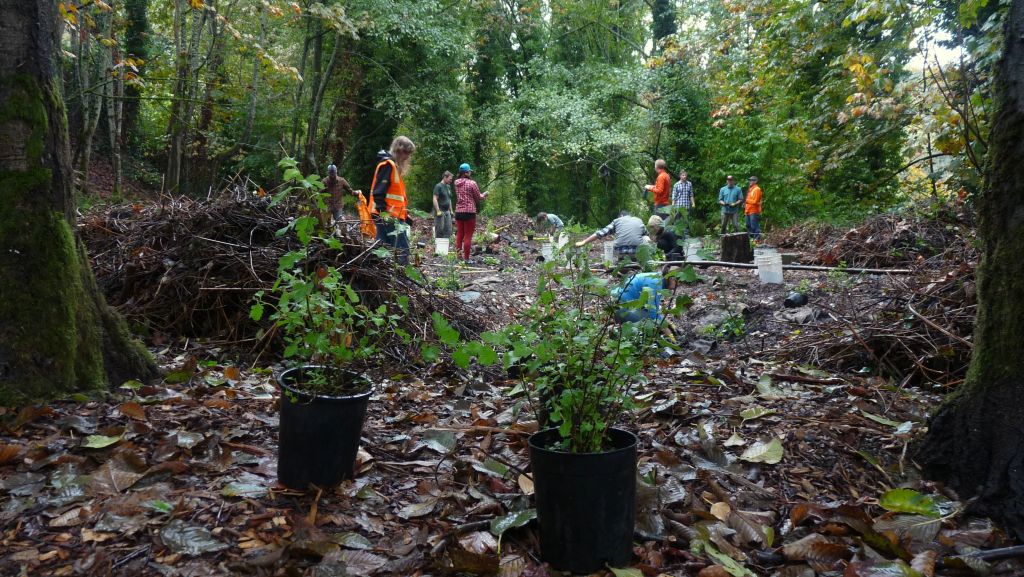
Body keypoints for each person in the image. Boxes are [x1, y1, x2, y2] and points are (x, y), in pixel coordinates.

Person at [370, 136, 416, 265]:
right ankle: (403, 274)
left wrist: (405, 216)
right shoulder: (388, 165)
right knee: (402, 250)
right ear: (399, 150)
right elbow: (379, 192)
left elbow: (395, 196)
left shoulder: (393, 167)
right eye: (406, 153)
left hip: (387, 214)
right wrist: (384, 214)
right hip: (388, 215)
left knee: (382, 248)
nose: (407, 157)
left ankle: (379, 273)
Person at [575, 210, 646, 262]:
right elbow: (646, 235)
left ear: (621, 216)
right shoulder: (639, 220)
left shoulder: (617, 220)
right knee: (645, 238)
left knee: (612, 243)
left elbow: (600, 233)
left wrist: (584, 242)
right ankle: (642, 261)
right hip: (637, 252)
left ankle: (619, 260)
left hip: (621, 252)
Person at [454, 163, 488, 261]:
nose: (470, 173)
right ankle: (467, 259)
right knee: (468, 235)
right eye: (469, 171)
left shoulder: (456, 183)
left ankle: (458, 256)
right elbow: (479, 197)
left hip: (459, 211)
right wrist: (485, 194)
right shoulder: (472, 183)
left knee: (460, 234)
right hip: (469, 212)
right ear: (466, 173)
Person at [433, 171, 454, 239]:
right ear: (445, 177)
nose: (451, 181)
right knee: (439, 230)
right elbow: (435, 198)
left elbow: (449, 199)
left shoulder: (448, 187)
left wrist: (451, 210)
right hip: (440, 211)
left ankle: (445, 244)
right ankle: (438, 244)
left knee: (448, 230)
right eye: (450, 179)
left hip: (447, 211)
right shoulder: (438, 186)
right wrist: (438, 210)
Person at [745, 175, 763, 242]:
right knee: (748, 225)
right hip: (748, 210)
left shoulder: (757, 189)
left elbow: (755, 201)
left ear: (755, 181)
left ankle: (757, 240)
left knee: (754, 226)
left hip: (754, 211)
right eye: (750, 180)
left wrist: (747, 201)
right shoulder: (750, 189)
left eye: (752, 180)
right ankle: (751, 240)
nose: (750, 181)